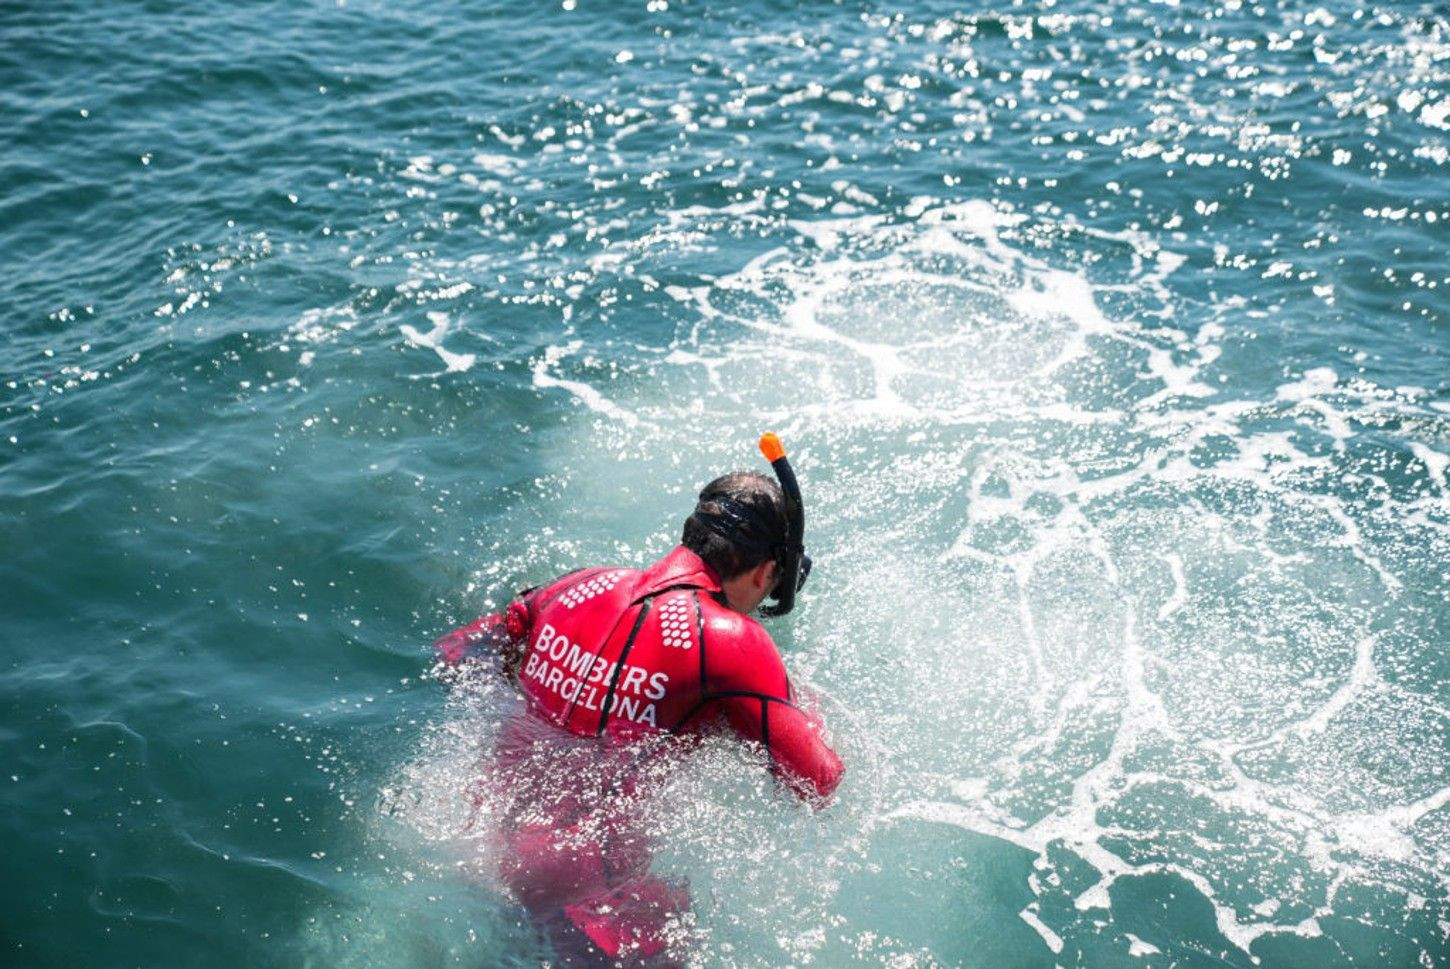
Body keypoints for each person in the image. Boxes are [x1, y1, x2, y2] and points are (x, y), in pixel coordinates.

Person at [434, 433, 844, 966]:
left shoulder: (578, 585)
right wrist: (799, 703)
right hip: (585, 892)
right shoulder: (730, 641)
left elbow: (456, 656)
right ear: (767, 572)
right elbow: (818, 782)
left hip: (475, 844)